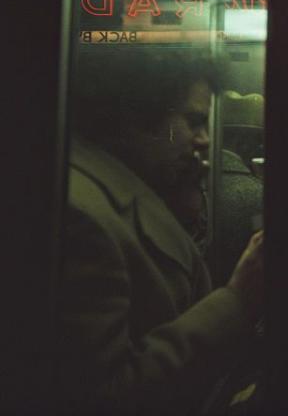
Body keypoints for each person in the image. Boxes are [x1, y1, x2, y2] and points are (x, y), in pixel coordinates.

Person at [56, 48, 263, 414]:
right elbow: (106, 395)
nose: (204, 139)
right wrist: (238, 299)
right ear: (138, 118)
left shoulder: (121, 192)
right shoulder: (82, 218)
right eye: (194, 121)